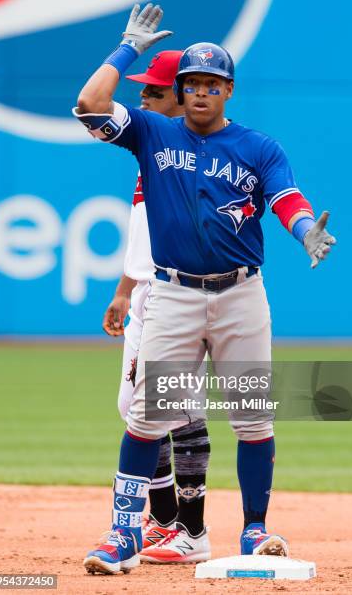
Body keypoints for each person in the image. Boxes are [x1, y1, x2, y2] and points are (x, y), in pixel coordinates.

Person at [74, 3, 336, 574]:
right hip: (173, 293)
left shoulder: (259, 147)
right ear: (181, 87)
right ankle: (123, 535)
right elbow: (90, 106)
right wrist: (126, 50)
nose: (199, 92)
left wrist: (303, 230)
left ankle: (255, 531)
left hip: (241, 295)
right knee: (148, 418)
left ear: (228, 90)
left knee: (252, 419)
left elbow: (285, 197)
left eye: (211, 84)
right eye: (191, 83)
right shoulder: (151, 130)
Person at [101, 50, 211, 564]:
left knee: (167, 408)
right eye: (143, 89)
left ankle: (183, 526)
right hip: (149, 289)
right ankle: (169, 520)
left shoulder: (201, 154)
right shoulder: (155, 149)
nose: (142, 97)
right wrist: (125, 289)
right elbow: (145, 229)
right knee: (146, 409)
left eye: (154, 91)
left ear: (182, 96)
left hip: (180, 294)